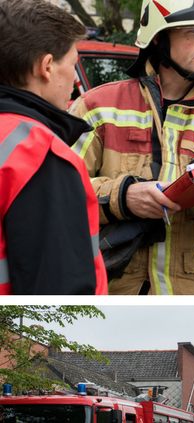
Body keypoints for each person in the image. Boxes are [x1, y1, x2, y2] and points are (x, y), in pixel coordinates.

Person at [71, 0, 194, 295]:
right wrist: (122, 197)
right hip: (114, 290)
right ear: (158, 38)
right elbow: (61, 195)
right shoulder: (95, 108)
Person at [0, 0, 107, 294]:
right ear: (46, 67)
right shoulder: (39, 154)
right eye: (73, 64)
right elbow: (60, 291)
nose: (75, 79)